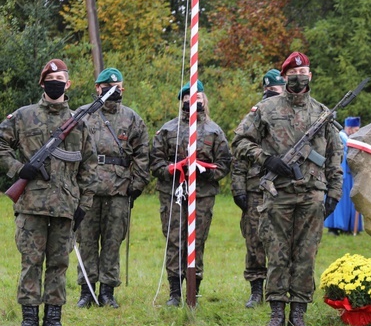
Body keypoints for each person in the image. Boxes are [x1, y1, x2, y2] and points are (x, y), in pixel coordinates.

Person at [232, 51, 343, 326]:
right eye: (293, 74)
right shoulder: (265, 110)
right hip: (277, 194)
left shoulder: (322, 113)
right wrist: (266, 160)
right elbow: (240, 140)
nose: (298, 77)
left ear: (310, 76)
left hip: (311, 196)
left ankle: (299, 315)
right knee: (277, 255)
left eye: (303, 72)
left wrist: (334, 191)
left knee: (305, 257)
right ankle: (276, 314)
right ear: (284, 77)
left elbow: (334, 156)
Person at [0, 59, 97, 326]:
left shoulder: (80, 123)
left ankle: (53, 321)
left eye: (60, 77)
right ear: (42, 83)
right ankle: (29, 322)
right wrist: (19, 169)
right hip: (31, 204)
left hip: (66, 206)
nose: (55, 81)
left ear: (68, 84)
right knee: (31, 263)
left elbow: (89, 167)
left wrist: (84, 206)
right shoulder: (23, 116)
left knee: (58, 264)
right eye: (50, 77)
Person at [150, 80, 231, 306]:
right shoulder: (168, 130)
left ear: (204, 100)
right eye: (186, 98)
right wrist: (171, 169)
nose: (191, 101)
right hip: (173, 193)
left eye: (197, 97)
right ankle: (175, 292)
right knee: (175, 240)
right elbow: (155, 162)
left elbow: (225, 163)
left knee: (197, 241)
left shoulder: (215, 131)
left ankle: (193, 290)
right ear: (181, 102)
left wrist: (206, 172)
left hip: (202, 195)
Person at [75, 68, 151, 309]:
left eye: (116, 86)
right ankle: (86, 291)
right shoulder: (82, 115)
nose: (112, 90)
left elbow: (142, 154)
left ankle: (107, 291)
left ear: (122, 88)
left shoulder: (132, 118)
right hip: (87, 189)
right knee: (86, 240)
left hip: (119, 190)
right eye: (106, 86)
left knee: (112, 241)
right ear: (97, 88)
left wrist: (137, 185)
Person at [231, 68, 286, 308]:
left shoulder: (289, 116)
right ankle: (256, 290)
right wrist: (238, 189)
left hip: (284, 188)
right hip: (255, 189)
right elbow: (239, 156)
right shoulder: (254, 116)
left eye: (275, 90)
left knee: (282, 241)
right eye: (268, 90)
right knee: (254, 242)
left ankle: (282, 290)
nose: (271, 94)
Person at [324, 116, 364, 235]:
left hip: (350, 175)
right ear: (350, 128)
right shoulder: (341, 137)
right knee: (338, 200)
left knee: (349, 201)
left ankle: (348, 227)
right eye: (356, 130)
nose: (357, 132)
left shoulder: (351, 139)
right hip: (340, 174)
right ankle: (334, 227)